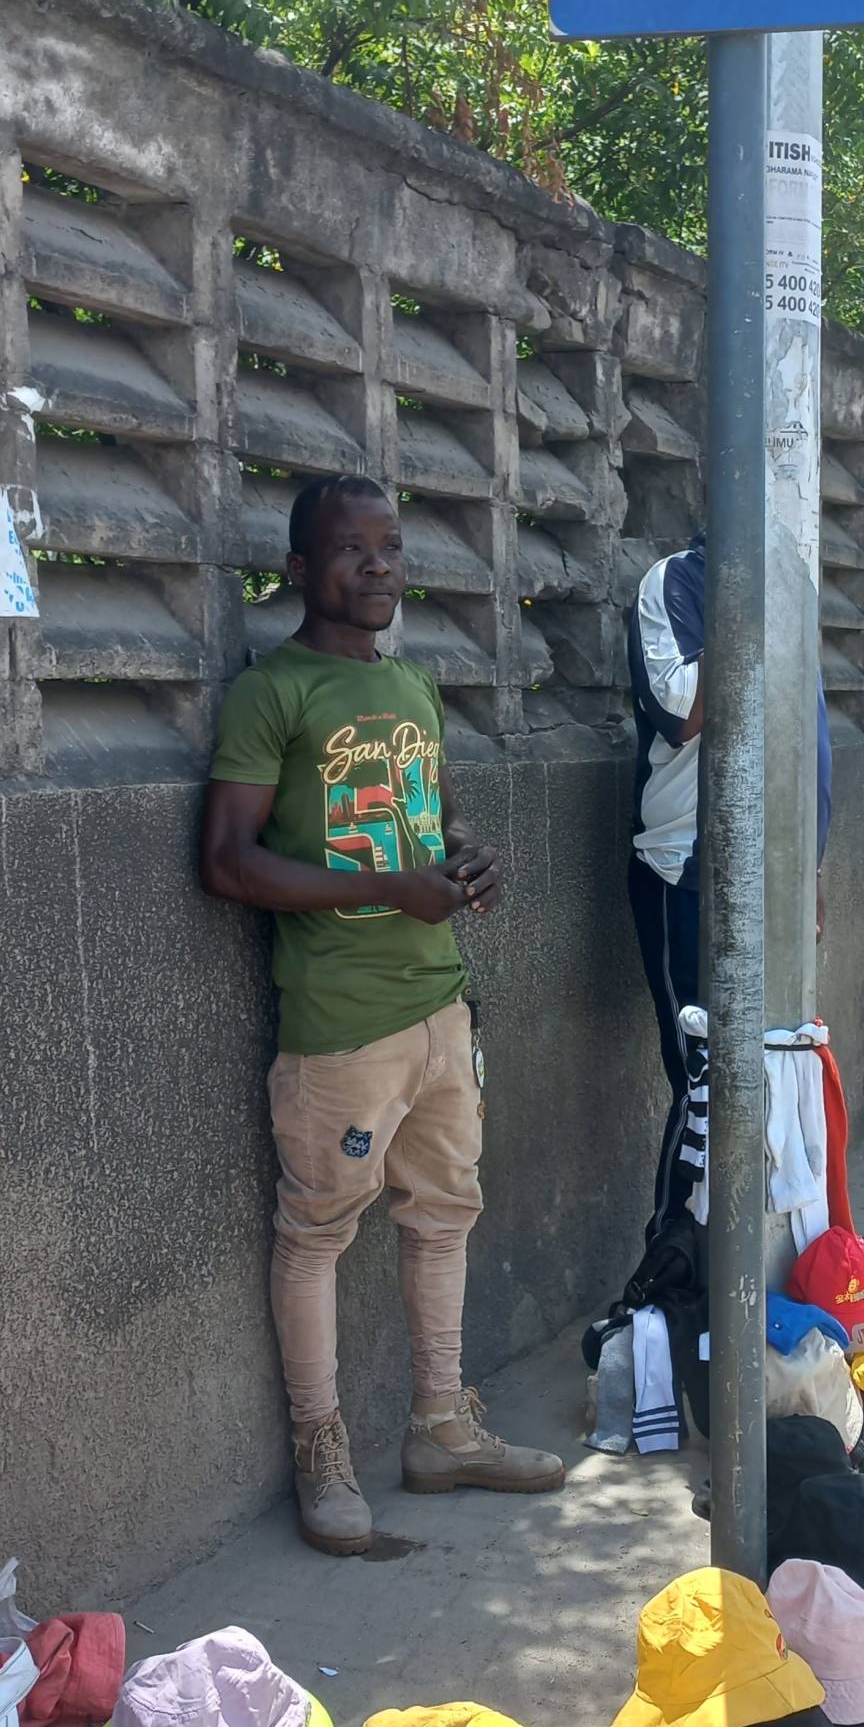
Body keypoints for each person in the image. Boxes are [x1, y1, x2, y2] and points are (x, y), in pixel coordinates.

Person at [201, 474, 565, 1556]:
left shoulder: (411, 689)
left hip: (437, 1006)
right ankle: (323, 1451)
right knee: (315, 1235)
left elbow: (431, 815)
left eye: (389, 549)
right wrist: (380, 893)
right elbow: (225, 861)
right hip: (339, 1021)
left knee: (443, 1212)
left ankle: (440, 1427)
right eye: (349, 551)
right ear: (302, 571)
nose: (376, 568)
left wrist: (467, 859)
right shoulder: (273, 692)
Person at [626, 530, 832, 1225]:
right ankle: (675, 1275)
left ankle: (757, 1274)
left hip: (778, 878)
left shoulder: (793, 587)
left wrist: (809, 868)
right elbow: (682, 713)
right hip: (688, 870)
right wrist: (743, 605)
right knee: (705, 1086)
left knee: (777, 1075)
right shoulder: (679, 582)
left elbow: (805, 740)